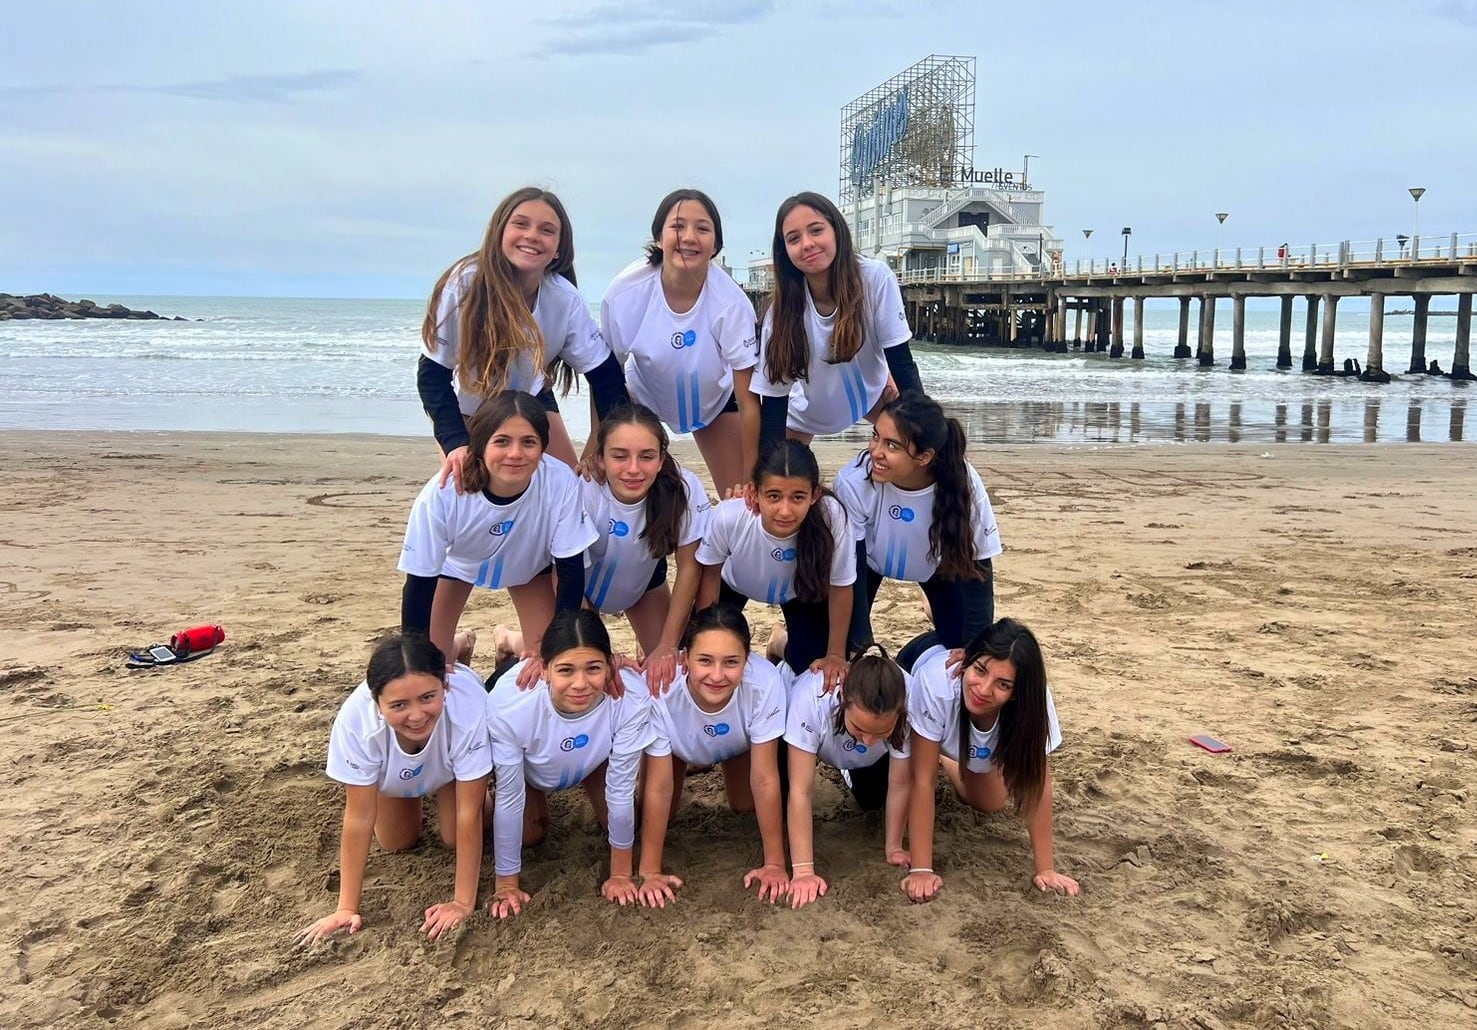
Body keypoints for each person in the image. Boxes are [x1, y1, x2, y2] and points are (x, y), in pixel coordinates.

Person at [417, 186, 629, 487]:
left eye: (547, 230)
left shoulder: (565, 300)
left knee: (572, 488)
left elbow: (606, 377)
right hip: (469, 407)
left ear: (558, 249)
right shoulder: (463, 286)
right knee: (471, 488)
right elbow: (432, 375)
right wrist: (455, 443)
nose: (532, 235)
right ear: (500, 232)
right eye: (521, 224)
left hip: (531, 398)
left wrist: (607, 448)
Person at [297, 633, 490, 945]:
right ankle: (453, 644)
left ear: (445, 686)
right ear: (376, 703)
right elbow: (359, 817)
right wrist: (346, 907)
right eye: (399, 704)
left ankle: (454, 652)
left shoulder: (468, 708)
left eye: (428, 697)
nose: (416, 715)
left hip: (450, 766)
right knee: (397, 841)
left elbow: (469, 813)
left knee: (458, 831)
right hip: (393, 775)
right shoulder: (355, 722)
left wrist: (462, 903)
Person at [398, 391, 598, 683]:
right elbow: (417, 585)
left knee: (546, 665)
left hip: (529, 569)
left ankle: (508, 641)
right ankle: (459, 644)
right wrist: (416, 660)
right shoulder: (442, 492)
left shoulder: (560, 481)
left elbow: (570, 573)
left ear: (543, 447)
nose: (515, 453)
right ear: (479, 445)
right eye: (502, 441)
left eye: (529, 442)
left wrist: (555, 647)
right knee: (432, 665)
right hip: (458, 566)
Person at [484, 610, 654, 917]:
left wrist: (620, 875)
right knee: (531, 834)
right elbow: (510, 799)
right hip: (529, 765)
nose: (580, 683)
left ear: (610, 666)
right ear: (545, 669)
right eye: (565, 671)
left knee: (628, 821)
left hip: (589, 757)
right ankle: (508, 640)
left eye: (593, 668)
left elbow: (620, 788)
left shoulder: (629, 696)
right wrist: (506, 885)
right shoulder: (512, 705)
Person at [895, 621, 1079, 902]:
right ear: (967, 660)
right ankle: (934, 751)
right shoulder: (936, 685)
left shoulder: (1034, 703)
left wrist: (1046, 869)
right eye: (980, 670)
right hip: (918, 661)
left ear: (1016, 692)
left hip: (957, 730)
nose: (983, 688)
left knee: (990, 801)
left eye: (1002, 684)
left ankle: (945, 755)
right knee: (905, 773)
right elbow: (923, 782)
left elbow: (1036, 784)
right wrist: (922, 869)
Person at [602, 189, 760, 494]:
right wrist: (599, 440)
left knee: (740, 502)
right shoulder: (624, 294)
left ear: (716, 245)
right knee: (629, 491)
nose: (689, 237)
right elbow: (606, 375)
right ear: (659, 237)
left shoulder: (732, 304)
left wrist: (751, 474)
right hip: (643, 398)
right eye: (677, 226)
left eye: (702, 228)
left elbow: (749, 399)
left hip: (715, 402)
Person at [636, 604, 790, 906]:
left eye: (731, 662)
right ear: (684, 658)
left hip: (737, 742)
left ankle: (779, 637)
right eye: (705, 660)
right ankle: (692, 759)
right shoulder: (660, 687)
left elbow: (764, 778)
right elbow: (659, 787)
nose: (717, 675)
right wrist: (650, 871)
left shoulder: (766, 682)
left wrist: (775, 864)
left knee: (745, 804)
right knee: (658, 814)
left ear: (747, 661)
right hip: (677, 746)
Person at [749, 191, 922, 456]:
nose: (807, 244)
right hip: (805, 414)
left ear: (837, 231)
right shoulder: (780, 314)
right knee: (781, 478)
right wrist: (767, 466)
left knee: (922, 453)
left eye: (816, 230)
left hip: (874, 396)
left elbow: (901, 362)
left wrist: (923, 431)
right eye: (794, 238)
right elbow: (774, 402)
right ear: (784, 251)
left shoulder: (875, 279)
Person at [835, 390, 1001, 652]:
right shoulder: (853, 481)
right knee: (844, 648)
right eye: (875, 436)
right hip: (866, 563)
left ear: (924, 457)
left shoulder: (963, 481)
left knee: (961, 644)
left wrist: (973, 650)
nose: (876, 452)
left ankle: (916, 647)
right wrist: (860, 647)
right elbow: (847, 567)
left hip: (936, 565)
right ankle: (781, 639)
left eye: (892, 445)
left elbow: (979, 569)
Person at [695, 439, 855, 689]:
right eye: (773, 496)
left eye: (797, 497)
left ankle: (779, 643)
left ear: (814, 495)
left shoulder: (831, 517)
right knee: (707, 654)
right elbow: (709, 574)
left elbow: (841, 586)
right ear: (753, 492)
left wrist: (835, 654)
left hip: (798, 590)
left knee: (810, 665)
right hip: (734, 584)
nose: (785, 511)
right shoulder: (729, 516)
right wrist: (701, 639)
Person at [580, 404, 711, 693]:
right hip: (579, 585)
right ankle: (509, 639)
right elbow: (565, 574)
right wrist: (597, 650)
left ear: (662, 459)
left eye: (647, 456)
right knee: (588, 670)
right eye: (620, 456)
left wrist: (667, 646)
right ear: (599, 458)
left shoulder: (684, 488)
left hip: (643, 582)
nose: (634, 469)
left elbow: (690, 568)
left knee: (670, 680)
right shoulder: (583, 488)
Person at [782, 646, 913, 909]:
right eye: (861, 728)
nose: (869, 739)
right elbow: (801, 790)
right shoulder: (810, 697)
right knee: (779, 791)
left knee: (872, 798)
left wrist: (894, 847)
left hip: (853, 753)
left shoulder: (912, 698)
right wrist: (804, 872)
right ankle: (780, 642)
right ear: (842, 696)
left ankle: (851, 761)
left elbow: (900, 783)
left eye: (882, 731)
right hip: (799, 713)